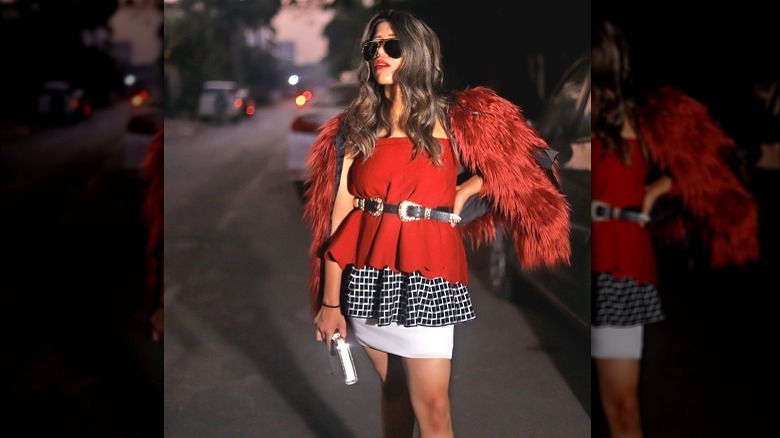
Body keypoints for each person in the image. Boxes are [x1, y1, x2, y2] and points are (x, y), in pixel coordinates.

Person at [302, 9, 570, 437]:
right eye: (373, 46)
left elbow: (535, 160)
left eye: (392, 45)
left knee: (434, 408)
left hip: (430, 273)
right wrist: (330, 304)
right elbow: (340, 214)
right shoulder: (356, 127)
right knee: (392, 394)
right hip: (368, 277)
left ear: (418, 52)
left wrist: (467, 190)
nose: (379, 55)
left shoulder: (457, 117)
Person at [591, 20, 759, 437]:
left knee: (621, 405)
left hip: (621, 267)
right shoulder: (580, 116)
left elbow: (715, 165)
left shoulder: (645, 118)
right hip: (581, 258)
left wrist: (658, 188)